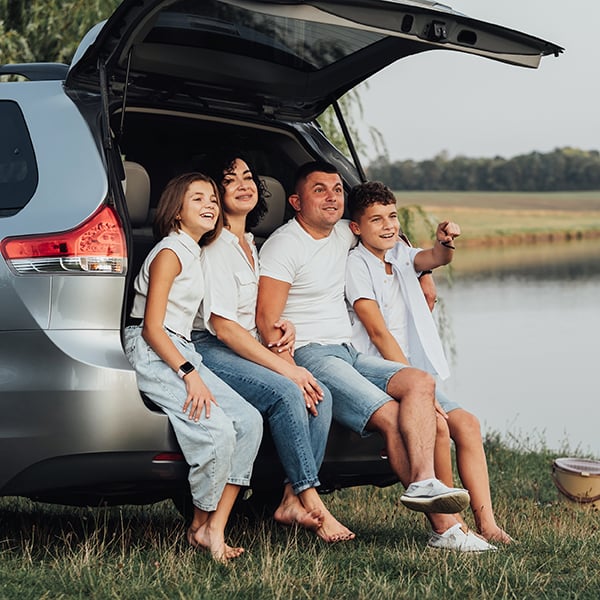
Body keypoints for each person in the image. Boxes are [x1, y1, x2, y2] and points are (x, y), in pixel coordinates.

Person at [256, 161, 494, 552]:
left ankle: (422, 480)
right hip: (312, 354)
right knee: (394, 416)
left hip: (347, 351)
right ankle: (446, 529)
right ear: (296, 201)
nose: (333, 196)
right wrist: (291, 371)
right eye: (320, 190)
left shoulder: (340, 236)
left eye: (337, 189)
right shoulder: (286, 245)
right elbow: (267, 321)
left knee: (420, 381)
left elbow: (390, 242)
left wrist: (424, 273)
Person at [191, 153, 354, 543]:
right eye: (231, 180)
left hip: (242, 343)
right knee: (287, 391)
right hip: (209, 346)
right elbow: (226, 329)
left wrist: (284, 328)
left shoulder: (248, 242)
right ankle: (309, 499)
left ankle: (290, 498)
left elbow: (255, 315)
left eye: (249, 176)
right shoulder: (215, 247)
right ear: (216, 191)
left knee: (320, 394)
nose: (244, 184)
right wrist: (287, 368)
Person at [345, 180, 512, 544]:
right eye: (377, 220)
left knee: (466, 423)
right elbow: (377, 333)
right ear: (357, 228)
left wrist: (445, 243)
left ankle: (488, 524)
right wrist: (414, 378)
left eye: (392, 216)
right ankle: (453, 525)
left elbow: (435, 259)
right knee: (437, 424)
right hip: (378, 370)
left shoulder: (401, 256)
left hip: (412, 372)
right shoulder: (356, 265)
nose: (388, 225)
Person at [123, 172, 263, 562]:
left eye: (213, 200)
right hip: (155, 348)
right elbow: (152, 327)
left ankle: (211, 525)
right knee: (217, 432)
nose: (210, 205)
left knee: (249, 422)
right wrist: (189, 374)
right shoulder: (170, 252)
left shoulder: (197, 252)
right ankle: (200, 526)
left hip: (182, 346)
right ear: (176, 212)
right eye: (198, 198)